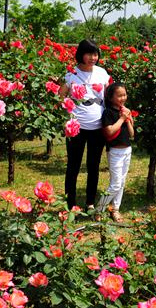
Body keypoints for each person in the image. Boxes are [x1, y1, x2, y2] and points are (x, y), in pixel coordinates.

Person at [61, 40, 110, 211]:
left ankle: (90, 202)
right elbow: (60, 97)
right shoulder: (71, 74)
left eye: (95, 54)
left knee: (93, 166)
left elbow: (108, 97)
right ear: (81, 54)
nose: (92, 57)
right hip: (76, 128)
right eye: (89, 53)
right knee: (73, 166)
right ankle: (70, 204)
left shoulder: (102, 73)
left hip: (97, 128)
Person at [96, 82, 134, 222]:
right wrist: (122, 118)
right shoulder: (108, 113)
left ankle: (115, 209)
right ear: (111, 97)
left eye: (124, 95)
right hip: (115, 152)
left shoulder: (125, 111)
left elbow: (131, 134)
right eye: (119, 96)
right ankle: (99, 209)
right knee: (115, 184)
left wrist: (128, 119)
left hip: (127, 150)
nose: (123, 98)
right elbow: (109, 131)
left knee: (122, 182)